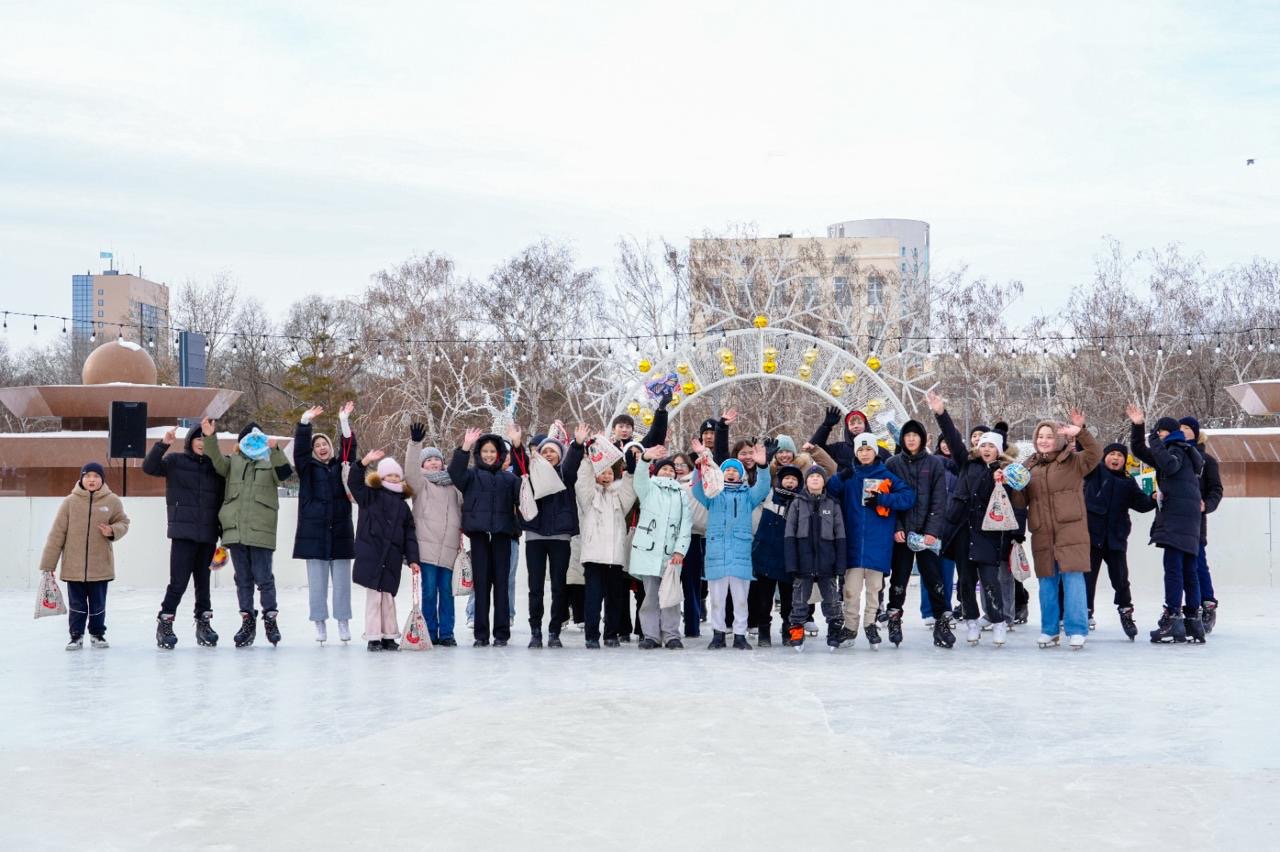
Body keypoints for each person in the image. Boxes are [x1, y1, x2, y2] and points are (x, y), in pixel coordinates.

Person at [931, 395, 1027, 648]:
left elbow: (1014, 501)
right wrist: (941, 412)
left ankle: (998, 622)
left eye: (991, 446)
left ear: (999, 449)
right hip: (962, 531)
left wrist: (1001, 481)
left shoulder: (1006, 472)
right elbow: (952, 438)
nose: (986, 449)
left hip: (988, 534)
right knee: (965, 580)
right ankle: (971, 621)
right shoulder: (966, 463)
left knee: (990, 580)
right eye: (983, 445)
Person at [203, 418, 293, 647]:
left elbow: (284, 473)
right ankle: (247, 620)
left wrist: (275, 449)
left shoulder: (270, 462)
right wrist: (210, 437)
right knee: (242, 579)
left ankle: (270, 618)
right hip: (235, 531)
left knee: (264, 578)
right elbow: (215, 461)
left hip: (261, 530)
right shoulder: (233, 463)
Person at [826, 434, 916, 649]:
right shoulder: (849, 475)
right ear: (855, 453)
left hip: (879, 544)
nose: (864, 454)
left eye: (868, 450)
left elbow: (908, 497)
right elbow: (829, 491)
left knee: (875, 589)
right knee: (851, 590)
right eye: (860, 450)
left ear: (875, 451)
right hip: (853, 544)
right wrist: (841, 476)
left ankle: (870, 624)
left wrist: (883, 499)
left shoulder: (886, 475)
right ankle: (850, 626)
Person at [1126, 406, 1206, 643]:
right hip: (1189, 519)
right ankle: (1193, 621)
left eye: (1159, 433)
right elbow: (1140, 450)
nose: (1156, 437)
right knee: (1189, 569)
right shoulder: (1183, 451)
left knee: (1174, 568)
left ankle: (1174, 619)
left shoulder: (1176, 449)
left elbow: (1169, 465)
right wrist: (1138, 426)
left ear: (1166, 433)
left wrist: (1153, 437)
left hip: (1177, 518)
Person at [1023, 410, 1100, 650]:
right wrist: (1009, 484)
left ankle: (1077, 629)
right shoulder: (1029, 466)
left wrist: (1081, 432)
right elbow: (1019, 501)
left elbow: (1095, 454)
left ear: (1058, 439)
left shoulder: (1073, 461)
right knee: (1047, 581)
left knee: (1073, 578)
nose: (1044, 440)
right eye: (1040, 437)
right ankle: (1049, 630)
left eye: (1049, 436)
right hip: (1042, 531)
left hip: (1070, 530)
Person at [143, 424, 224, 649]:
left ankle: (203, 624)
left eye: (205, 439)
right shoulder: (176, 461)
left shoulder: (216, 468)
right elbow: (149, 468)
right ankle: (165, 622)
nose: (201, 443)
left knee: (203, 583)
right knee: (178, 583)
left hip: (208, 534)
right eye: (197, 438)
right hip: (183, 534)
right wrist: (163, 445)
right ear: (190, 441)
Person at [751, 445, 836, 647]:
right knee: (764, 600)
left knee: (789, 601)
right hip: (765, 555)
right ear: (780, 480)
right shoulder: (769, 495)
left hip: (789, 559)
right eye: (786, 478)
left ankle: (788, 630)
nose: (790, 481)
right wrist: (764, 463)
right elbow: (761, 481)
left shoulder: (802, 501)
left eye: (794, 479)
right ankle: (764, 630)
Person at [40, 461, 130, 650]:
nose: (91, 479)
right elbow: (57, 534)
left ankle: (97, 634)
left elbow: (124, 522)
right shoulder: (70, 502)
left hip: (100, 566)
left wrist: (112, 530)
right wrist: (48, 565)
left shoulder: (111, 500)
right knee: (77, 605)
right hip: (73, 566)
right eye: (88, 476)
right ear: (81, 478)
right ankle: (76, 636)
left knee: (98, 605)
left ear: (102, 479)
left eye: (96, 476)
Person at [691, 442, 771, 649]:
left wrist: (762, 467)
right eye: (727, 470)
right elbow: (697, 489)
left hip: (740, 555)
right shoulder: (713, 495)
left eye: (736, 470)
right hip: (717, 554)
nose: (732, 473)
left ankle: (739, 635)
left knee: (741, 599)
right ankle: (718, 634)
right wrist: (699, 468)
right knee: (717, 599)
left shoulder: (748, 496)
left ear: (742, 474)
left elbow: (763, 487)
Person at [511, 427, 585, 649]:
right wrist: (516, 445)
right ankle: (535, 631)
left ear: (560, 455)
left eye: (553, 451)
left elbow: (573, 462)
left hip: (560, 537)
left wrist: (578, 444)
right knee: (535, 586)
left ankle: (554, 631)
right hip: (535, 536)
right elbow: (520, 463)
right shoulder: (532, 473)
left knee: (559, 586)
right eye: (545, 451)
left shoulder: (566, 475)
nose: (549, 454)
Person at [884, 415, 953, 649]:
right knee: (899, 579)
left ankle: (941, 622)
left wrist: (932, 532)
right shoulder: (892, 464)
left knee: (934, 578)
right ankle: (894, 619)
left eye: (915, 435)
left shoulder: (934, 464)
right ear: (902, 439)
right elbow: (888, 500)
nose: (911, 439)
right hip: (902, 535)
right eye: (907, 435)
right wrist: (897, 527)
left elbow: (939, 500)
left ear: (922, 439)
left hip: (927, 534)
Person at [449, 426, 521, 647]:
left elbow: (525, 490)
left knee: (501, 585)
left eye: (493, 452)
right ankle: (481, 634)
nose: (489, 455)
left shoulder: (509, 480)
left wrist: (518, 446)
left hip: (502, 536)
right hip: (479, 537)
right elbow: (454, 473)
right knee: (481, 587)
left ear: (500, 455)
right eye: (485, 451)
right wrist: (465, 447)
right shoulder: (470, 476)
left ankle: (501, 634)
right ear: (479, 454)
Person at [293, 402, 357, 645]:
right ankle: (319, 623)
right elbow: (299, 451)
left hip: (340, 531)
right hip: (314, 533)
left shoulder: (341, 467)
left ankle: (343, 621)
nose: (321, 447)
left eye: (324, 444)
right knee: (317, 584)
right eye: (317, 445)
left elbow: (350, 449)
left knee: (342, 584)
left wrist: (343, 421)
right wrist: (304, 422)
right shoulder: (307, 468)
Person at [348, 450, 420, 651]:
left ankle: (389, 636)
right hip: (371, 555)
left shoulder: (403, 506)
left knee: (388, 599)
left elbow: (409, 534)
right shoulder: (369, 495)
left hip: (392, 557)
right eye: (389, 475)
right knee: (374, 599)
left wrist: (413, 559)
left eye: (397, 475)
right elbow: (353, 482)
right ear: (380, 477)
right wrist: (363, 463)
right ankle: (373, 637)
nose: (394, 478)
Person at [1083, 442, 1155, 638]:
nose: (1116, 458)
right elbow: (1084, 452)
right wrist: (1080, 431)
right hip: (1092, 536)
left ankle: (1125, 611)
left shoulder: (1128, 481)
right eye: (1112, 454)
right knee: (1088, 578)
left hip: (1115, 538)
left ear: (1125, 460)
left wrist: (1154, 497)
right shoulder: (1093, 473)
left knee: (1121, 579)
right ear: (1104, 456)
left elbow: (1141, 504)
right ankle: (1085, 612)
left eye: (1120, 456)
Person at [575, 426, 637, 648]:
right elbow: (582, 482)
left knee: (615, 598)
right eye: (602, 472)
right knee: (593, 598)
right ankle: (592, 635)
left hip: (615, 558)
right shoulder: (590, 498)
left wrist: (629, 472)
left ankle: (611, 634)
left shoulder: (618, 497)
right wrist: (586, 458)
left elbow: (630, 491)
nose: (606, 476)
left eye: (610, 473)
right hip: (593, 557)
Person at [628, 445, 692, 649]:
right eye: (664, 468)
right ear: (656, 471)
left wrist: (680, 550)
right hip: (648, 552)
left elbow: (686, 523)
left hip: (671, 555)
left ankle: (672, 635)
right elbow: (639, 478)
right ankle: (651, 635)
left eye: (671, 470)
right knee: (650, 597)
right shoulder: (648, 489)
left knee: (671, 595)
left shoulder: (681, 494)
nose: (668, 472)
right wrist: (645, 459)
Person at [405, 426, 464, 646]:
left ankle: (447, 634)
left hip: (449, 550)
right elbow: (410, 471)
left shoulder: (453, 485)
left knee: (447, 593)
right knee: (429, 592)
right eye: (428, 461)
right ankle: (430, 630)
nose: (433, 463)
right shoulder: (421, 485)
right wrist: (414, 444)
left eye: (436, 460)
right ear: (422, 465)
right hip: (427, 550)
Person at [784, 464, 848, 651]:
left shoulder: (833, 504)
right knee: (799, 602)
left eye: (819, 477)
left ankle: (834, 632)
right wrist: (791, 563)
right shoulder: (796, 503)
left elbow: (840, 535)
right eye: (811, 477)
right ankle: (796, 632)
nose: (815, 479)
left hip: (827, 563)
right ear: (806, 481)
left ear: (824, 481)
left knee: (832, 602)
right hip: (803, 563)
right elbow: (789, 535)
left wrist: (840, 565)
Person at [1179, 416, 1224, 632]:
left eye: (1187, 428)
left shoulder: (1207, 461)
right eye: (1179, 428)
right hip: (1175, 523)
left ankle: (1207, 604)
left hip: (1196, 523)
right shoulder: (1172, 457)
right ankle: (1186, 609)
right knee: (1177, 568)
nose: (1183, 431)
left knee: (1197, 564)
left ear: (1196, 432)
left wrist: (1207, 505)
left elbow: (1216, 489)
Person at [673, 452, 707, 638]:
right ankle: (668, 626)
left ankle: (692, 626)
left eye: (682, 464)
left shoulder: (694, 483)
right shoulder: (665, 483)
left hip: (692, 537)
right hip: (670, 540)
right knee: (670, 584)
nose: (678, 467)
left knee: (691, 585)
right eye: (675, 464)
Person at [809, 406, 888, 473]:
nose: (856, 426)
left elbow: (893, 468)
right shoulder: (839, 449)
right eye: (852, 424)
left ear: (865, 425)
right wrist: (826, 426)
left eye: (859, 423)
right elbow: (815, 448)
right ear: (847, 428)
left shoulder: (879, 451)